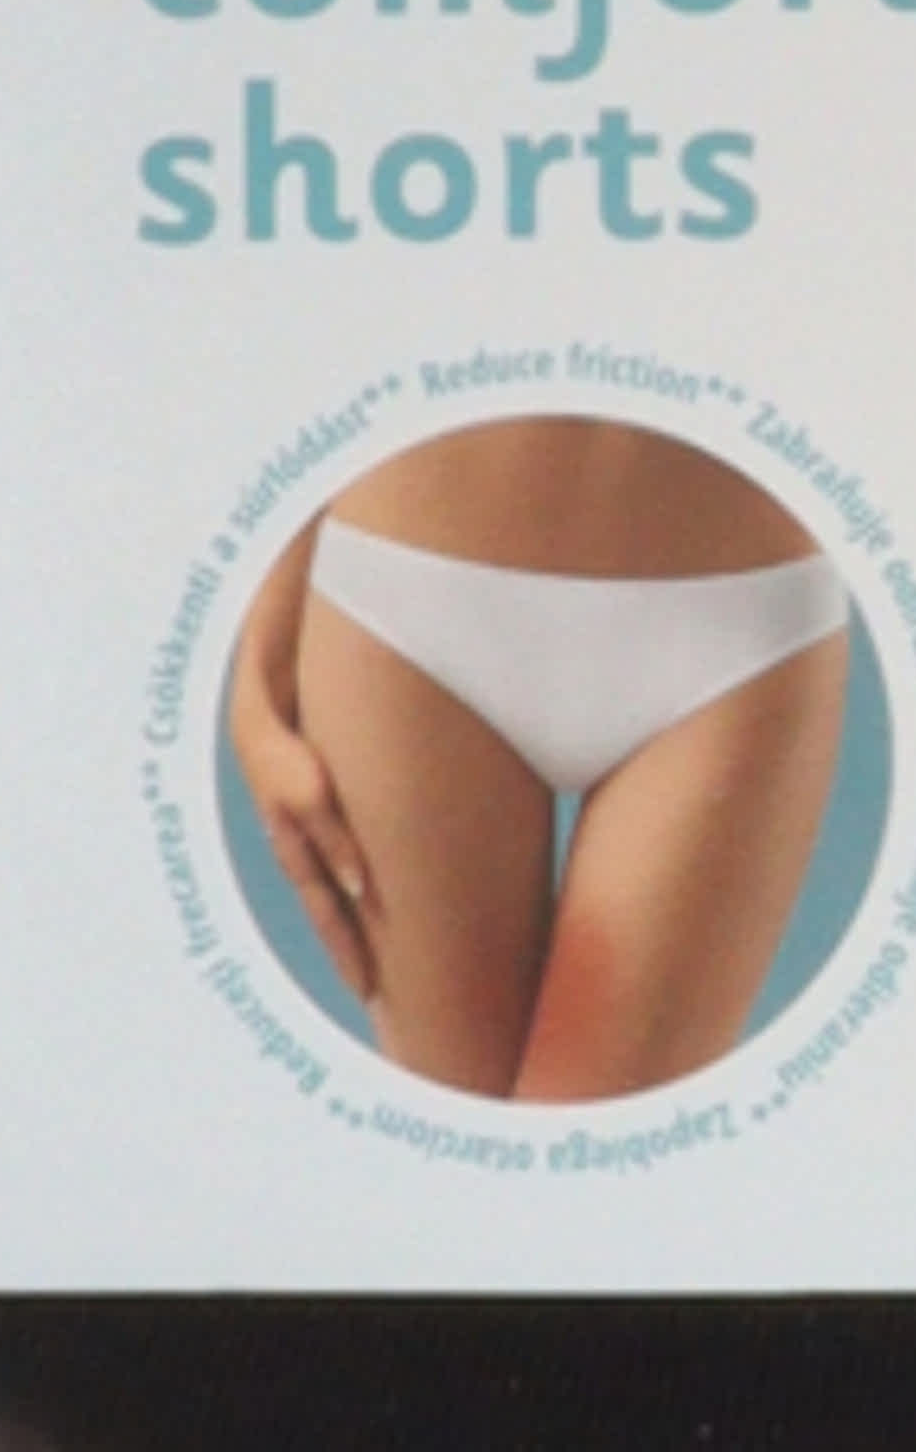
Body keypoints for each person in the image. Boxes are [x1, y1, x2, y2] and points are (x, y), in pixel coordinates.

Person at [229, 415, 850, 1104]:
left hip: (738, 627)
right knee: (449, 1136)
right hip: (409, 598)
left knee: (594, 1142)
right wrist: (259, 670)